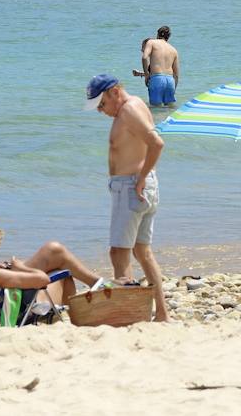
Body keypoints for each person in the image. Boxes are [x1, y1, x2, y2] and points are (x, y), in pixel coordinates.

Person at [85, 74, 168, 320]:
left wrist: (141, 178)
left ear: (114, 92)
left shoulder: (129, 109)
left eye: (102, 104)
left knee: (119, 253)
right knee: (142, 252)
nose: (102, 111)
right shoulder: (135, 105)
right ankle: (162, 313)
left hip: (132, 187)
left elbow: (156, 143)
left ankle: (129, 315)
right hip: (138, 186)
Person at [0, 224, 100, 322]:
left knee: (53, 253)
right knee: (63, 274)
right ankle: (78, 313)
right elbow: (43, 279)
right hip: (30, 311)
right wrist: (20, 268)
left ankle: (94, 286)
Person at [140, 26, 179, 108]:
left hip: (157, 79)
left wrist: (147, 75)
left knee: (156, 109)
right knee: (170, 109)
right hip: (170, 81)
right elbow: (176, 74)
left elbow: (144, 57)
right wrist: (173, 89)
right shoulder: (174, 50)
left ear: (157, 34)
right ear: (168, 37)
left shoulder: (151, 42)